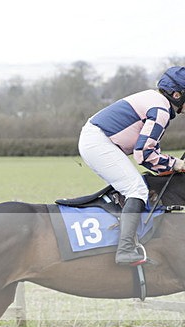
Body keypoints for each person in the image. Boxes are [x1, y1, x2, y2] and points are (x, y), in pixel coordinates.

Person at [79, 66, 185, 265]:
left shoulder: (156, 101)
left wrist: (171, 166)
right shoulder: (160, 110)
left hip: (97, 140)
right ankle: (125, 250)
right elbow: (144, 154)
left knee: (134, 186)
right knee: (136, 189)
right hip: (99, 142)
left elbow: (150, 151)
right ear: (177, 94)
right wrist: (176, 164)